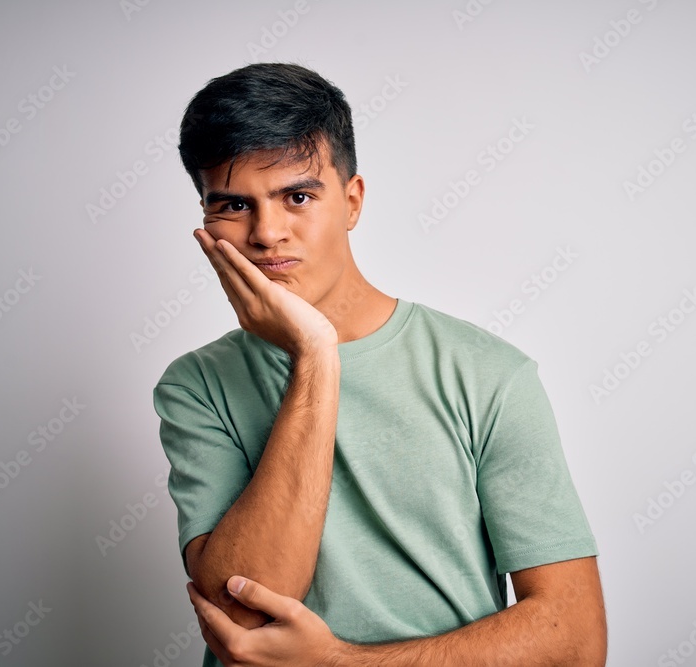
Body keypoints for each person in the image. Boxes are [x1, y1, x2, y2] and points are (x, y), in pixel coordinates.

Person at [153, 62, 607, 666]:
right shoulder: (196, 386)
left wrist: (338, 663)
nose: (266, 233)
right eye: (234, 204)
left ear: (352, 201)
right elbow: (245, 610)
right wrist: (314, 356)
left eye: (298, 196)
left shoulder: (487, 374)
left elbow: (574, 640)